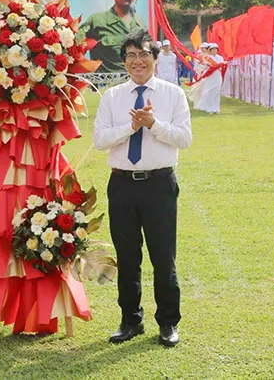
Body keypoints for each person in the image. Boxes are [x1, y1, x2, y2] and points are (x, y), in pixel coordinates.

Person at [93, 31, 192, 348]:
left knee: (164, 257)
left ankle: (168, 322)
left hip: (159, 183)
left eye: (144, 54)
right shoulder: (112, 97)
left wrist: (153, 124)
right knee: (128, 256)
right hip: (122, 183)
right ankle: (130, 320)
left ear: (155, 57)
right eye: (131, 55)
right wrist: (131, 127)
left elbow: (184, 139)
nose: (138, 61)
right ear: (124, 61)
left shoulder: (172, 94)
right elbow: (100, 140)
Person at [81, 0, 148, 73]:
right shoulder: (96, 21)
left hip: (135, 85)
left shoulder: (140, 24)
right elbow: (72, 48)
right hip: (106, 86)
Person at [192, 43, 223, 114]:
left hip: (217, 77)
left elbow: (221, 67)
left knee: (216, 93)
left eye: (215, 49)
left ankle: (216, 108)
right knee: (209, 92)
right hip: (210, 77)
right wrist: (204, 65)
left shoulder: (220, 58)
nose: (214, 51)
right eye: (213, 49)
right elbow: (203, 68)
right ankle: (208, 108)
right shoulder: (207, 58)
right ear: (210, 50)